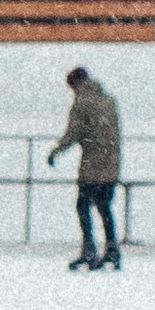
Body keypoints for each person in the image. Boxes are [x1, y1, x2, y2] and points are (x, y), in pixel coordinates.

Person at [47, 64, 122, 270]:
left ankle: (89, 251)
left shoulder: (82, 103)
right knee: (105, 208)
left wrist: (56, 151)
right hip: (112, 164)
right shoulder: (108, 100)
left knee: (83, 207)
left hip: (92, 166)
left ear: (75, 83)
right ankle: (112, 250)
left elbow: (73, 133)